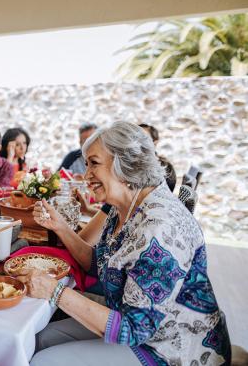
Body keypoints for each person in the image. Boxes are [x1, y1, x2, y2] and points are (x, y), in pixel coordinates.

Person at [23, 121, 230, 365]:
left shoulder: (159, 228)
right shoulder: (127, 204)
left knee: (44, 361)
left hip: (170, 348)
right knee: (41, 338)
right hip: (132, 322)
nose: (87, 174)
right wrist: (60, 227)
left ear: (125, 164)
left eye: (94, 163)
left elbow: (133, 329)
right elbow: (97, 264)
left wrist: (55, 291)